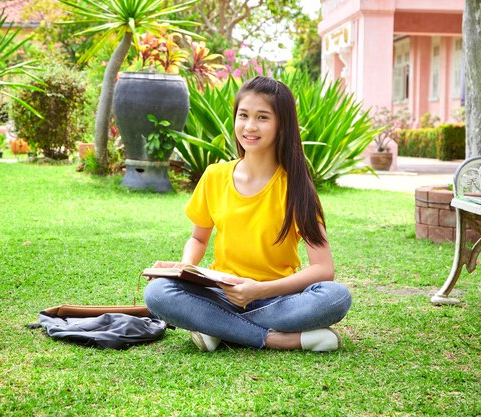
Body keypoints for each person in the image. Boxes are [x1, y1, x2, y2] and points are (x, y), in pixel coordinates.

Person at [143, 76, 352, 352]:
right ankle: (275, 339)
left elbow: (324, 269)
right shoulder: (215, 176)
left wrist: (258, 290)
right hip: (220, 293)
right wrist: (184, 267)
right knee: (157, 292)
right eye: (243, 116)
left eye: (262, 117)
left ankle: (216, 328)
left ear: (282, 125)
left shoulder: (297, 188)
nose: (250, 126)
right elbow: (198, 239)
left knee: (336, 297)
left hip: (275, 298)